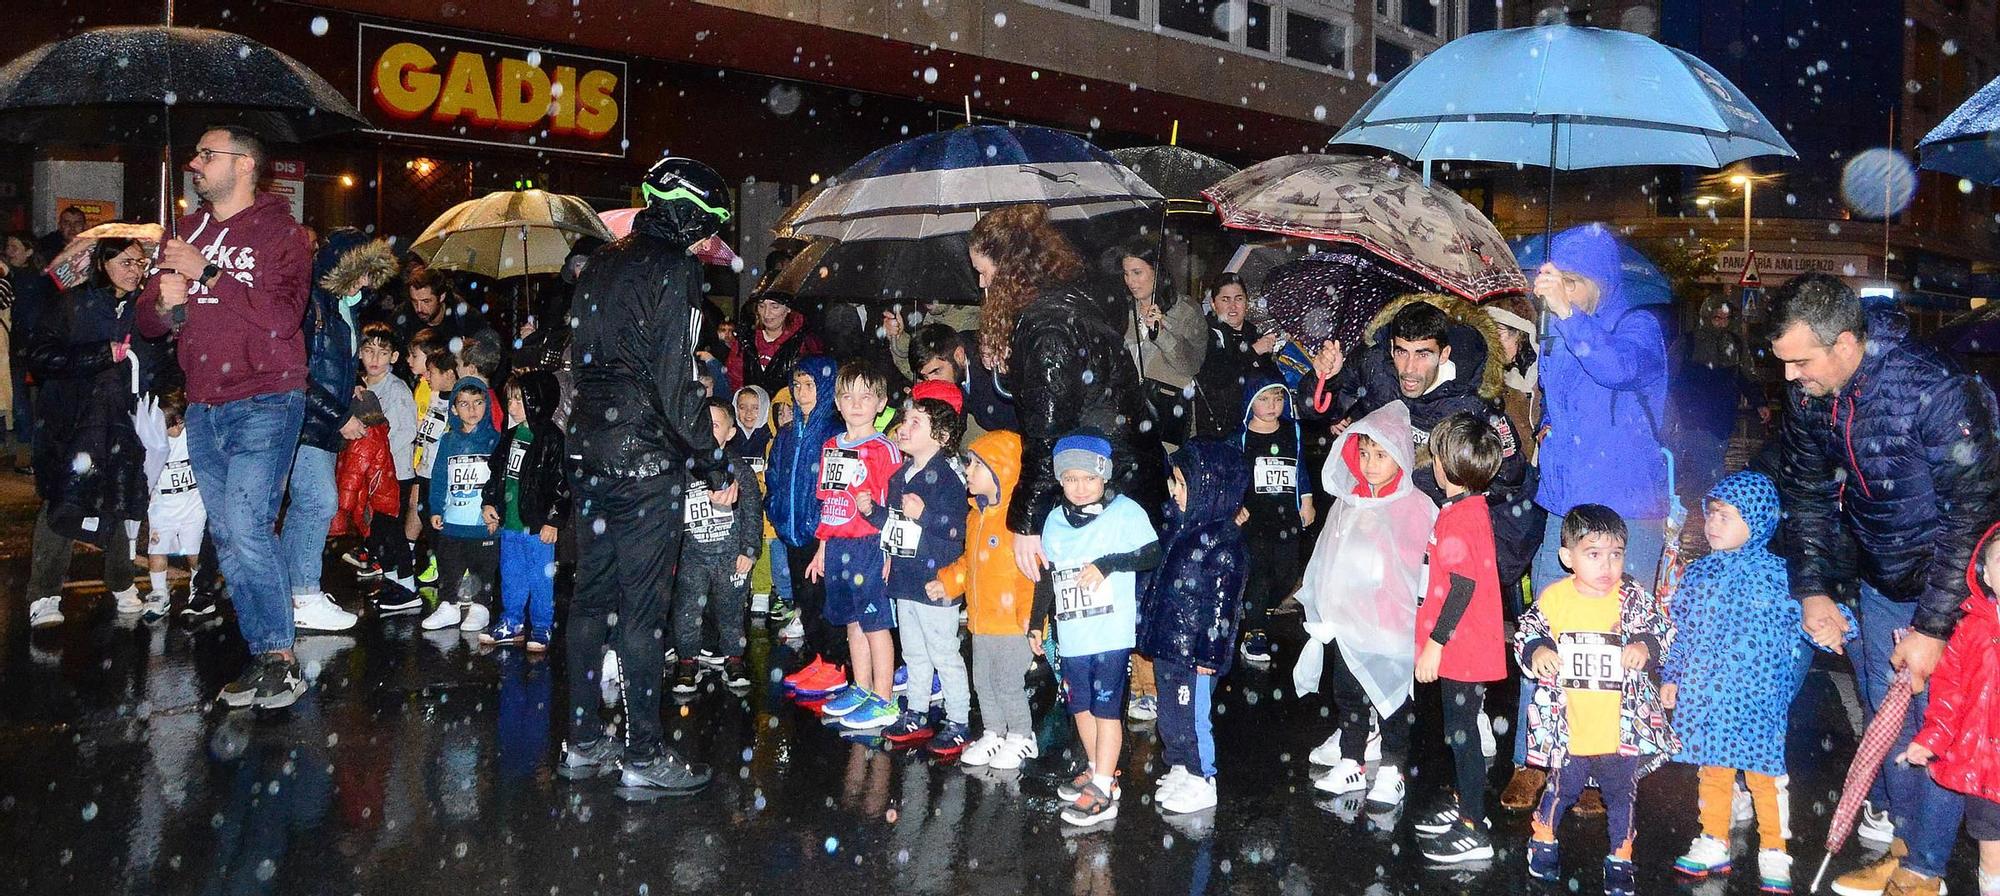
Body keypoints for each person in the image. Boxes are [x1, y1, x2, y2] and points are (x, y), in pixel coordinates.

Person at [1766, 273, 2000, 896]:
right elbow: (1807, 493)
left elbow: (1973, 514)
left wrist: (1932, 626)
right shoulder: (1813, 395)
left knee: (1938, 725)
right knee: (1887, 718)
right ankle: (1902, 846)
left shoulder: (1936, 389)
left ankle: (1925, 871)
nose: (1790, 377)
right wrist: (1812, 587)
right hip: (1877, 577)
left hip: (1952, 585)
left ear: (1845, 343)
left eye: (1800, 361)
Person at [557, 156, 731, 793]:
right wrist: (713, 462)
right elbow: (674, 382)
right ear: (686, 212)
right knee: (643, 609)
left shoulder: (599, 262)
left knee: (589, 600)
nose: (706, 239)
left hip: (588, 447)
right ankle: (644, 754)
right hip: (643, 458)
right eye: (707, 223)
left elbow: (585, 359)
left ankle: (582, 741)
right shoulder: (675, 269)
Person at [137, 125, 313, 710]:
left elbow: (283, 317)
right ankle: (264, 654)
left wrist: (208, 273)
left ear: (243, 164)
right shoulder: (188, 229)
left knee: (246, 524)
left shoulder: (281, 233)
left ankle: (282, 661)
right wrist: (167, 301)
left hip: (265, 396)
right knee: (230, 537)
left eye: (206, 154)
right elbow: (151, 321)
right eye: (195, 153)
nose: (194, 163)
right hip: (205, 402)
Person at [1504, 225, 1670, 812]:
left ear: (1599, 281)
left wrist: (1569, 319)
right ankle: (1536, 756)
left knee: (1617, 642)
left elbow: (1615, 369)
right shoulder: (1561, 331)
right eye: (1560, 282)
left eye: (1575, 283)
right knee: (1547, 630)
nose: (1566, 294)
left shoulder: (1638, 328)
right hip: (1569, 506)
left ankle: (1607, 769)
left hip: (1628, 510)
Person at [1665, 471, 1852, 894]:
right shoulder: (1697, 576)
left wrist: (1839, 627)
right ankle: (1714, 839)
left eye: (1726, 517)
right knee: (1712, 771)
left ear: (1758, 521)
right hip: (1707, 696)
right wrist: (1673, 675)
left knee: (1765, 778)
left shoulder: (1782, 576)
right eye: (1711, 514)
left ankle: (1774, 848)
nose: (1713, 524)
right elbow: (1683, 632)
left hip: (1758, 699)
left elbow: (1818, 614)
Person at [966, 204, 1166, 581]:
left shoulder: (1048, 329)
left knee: (1097, 610)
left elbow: (1047, 430)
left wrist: (1027, 523)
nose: (982, 284)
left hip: (1105, 481)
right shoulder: (1059, 306)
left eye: (984, 272)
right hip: (1115, 472)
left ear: (1009, 270)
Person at [1517, 505, 1678, 896]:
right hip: (1571, 725)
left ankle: (1621, 855)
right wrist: (1538, 651)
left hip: (1621, 729)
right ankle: (1543, 836)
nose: (1607, 565)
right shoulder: (1555, 599)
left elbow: (1663, 631)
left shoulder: (1632, 598)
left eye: (1616, 554)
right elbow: (1528, 631)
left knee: (1622, 796)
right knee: (1562, 790)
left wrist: (1646, 646)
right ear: (1567, 557)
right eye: (1593, 554)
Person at [1294, 401, 1436, 807]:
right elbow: (1326, 559)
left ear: (1401, 457)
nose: (1371, 464)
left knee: (1392, 699)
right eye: (1364, 454)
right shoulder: (1348, 502)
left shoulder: (1416, 506)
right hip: (1349, 624)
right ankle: (1352, 761)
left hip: (1392, 624)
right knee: (1350, 695)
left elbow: (1420, 568)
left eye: (1381, 455)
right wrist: (1321, 605)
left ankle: (1392, 769)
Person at [1031, 431, 1161, 827]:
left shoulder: (1124, 511)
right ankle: (1096, 767)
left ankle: (1104, 786)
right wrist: (1037, 621)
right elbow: (1047, 576)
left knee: (1106, 710)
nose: (1081, 487)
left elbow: (1151, 552)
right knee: (1079, 706)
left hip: (1109, 635)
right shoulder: (1055, 519)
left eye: (1089, 478)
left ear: (1104, 476)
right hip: (1073, 636)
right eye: (1070, 478)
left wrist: (1109, 564)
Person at [23, 237, 150, 629]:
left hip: (119, 419)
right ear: (103, 262)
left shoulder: (143, 309)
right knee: (64, 498)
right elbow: (41, 356)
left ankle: (122, 583)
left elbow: (157, 358)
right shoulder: (72, 304)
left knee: (116, 494)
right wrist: (100, 353)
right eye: (126, 261)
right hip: (71, 421)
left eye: (141, 263)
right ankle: (43, 594)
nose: (135, 270)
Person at [1411, 414, 1510, 864]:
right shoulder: (1463, 510)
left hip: (1463, 649)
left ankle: (1475, 824)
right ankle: (1465, 801)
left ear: (1447, 467)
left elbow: (1463, 586)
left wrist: (1437, 641)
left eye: (1435, 456)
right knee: (1458, 731)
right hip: (1463, 647)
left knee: (1462, 732)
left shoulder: (1462, 519)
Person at [286, 229, 394, 634]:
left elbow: (332, 367)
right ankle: (303, 593)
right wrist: (339, 415)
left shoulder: (342, 307)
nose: (368, 281)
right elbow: (300, 373)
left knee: (308, 505)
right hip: (308, 423)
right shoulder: (314, 304)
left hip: (319, 422)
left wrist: (351, 387)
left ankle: (295, 592)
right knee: (317, 501)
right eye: (363, 271)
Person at [1140, 438, 1249, 816]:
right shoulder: (1177, 530)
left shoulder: (1223, 545)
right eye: (1175, 483)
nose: (1175, 492)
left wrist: (1210, 653)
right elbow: (1156, 583)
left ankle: (1203, 776)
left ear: (1211, 491)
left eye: (1183, 485)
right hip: (1170, 644)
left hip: (1195, 654)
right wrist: (1146, 624)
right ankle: (1181, 765)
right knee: (1170, 713)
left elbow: (1221, 607)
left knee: (1192, 714)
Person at [1902, 524, 2000, 896]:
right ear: (1987, 575)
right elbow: (1949, 693)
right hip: (1987, 768)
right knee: (1993, 854)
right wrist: (1932, 737)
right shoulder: (1970, 630)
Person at [805, 361, 902, 730]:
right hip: (840, 546)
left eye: (866, 396)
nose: (856, 403)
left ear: (880, 403)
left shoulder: (884, 449)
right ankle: (861, 687)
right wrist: (822, 549)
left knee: (876, 623)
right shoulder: (831, 445)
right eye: (848, 396)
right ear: (838, 403)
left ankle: (884, 697)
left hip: (870, 544)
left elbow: (895, 503)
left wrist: (890, 551)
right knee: (852, 621)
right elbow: (830, 502)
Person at [875, 381, 971, 755]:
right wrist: (877, 520)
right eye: (905, 420)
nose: (904, 427)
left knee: (944, 652)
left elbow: (959, 528)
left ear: (942, 435)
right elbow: (897, 523)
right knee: (913, 651)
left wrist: (925, 515)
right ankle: (917, 710)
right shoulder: (900, 475)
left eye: (916, 422)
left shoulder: (949, 477)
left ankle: (958, 718)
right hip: (906, 576)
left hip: (935, 581)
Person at [938, 429, 1038, 770]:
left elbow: (1031, 572)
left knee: (1008, 682)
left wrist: (1030, 616)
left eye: (976, 466)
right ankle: (994, 732)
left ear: (1000, 471)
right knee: (982, 682)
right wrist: (950, 582)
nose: (968, 472)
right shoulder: (975, 516)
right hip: (982, 621)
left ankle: (1022, 735)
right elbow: (970, 563)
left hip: (1011, 623)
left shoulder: (1017, 522)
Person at [668, 397, 761, 690]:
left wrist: (750, 549)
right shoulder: (684, 467)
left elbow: (752, 510)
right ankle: (687, 661)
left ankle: (734, 658)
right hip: (693, 556)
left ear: (730, 433)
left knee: (732, 609)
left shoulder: (739, 469)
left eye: (716, 424)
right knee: (687, 610)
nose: (708, 430)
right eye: (702, 424)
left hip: (731, 557)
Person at [480, 371, 569, 652]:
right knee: (512, 574)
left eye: (519, 400)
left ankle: (542, 625)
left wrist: (554, 520)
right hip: (512, 522)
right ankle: (512, 620)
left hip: (536, 524)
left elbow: (561, 482)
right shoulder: (510, 436)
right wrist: (490, 501)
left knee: (540, 578)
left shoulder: (552, 439)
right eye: (510, 399)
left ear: (537, 402)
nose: (512, 406)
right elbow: (497, 474)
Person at [774, 356, 848, 693]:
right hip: (792, 531)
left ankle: (836, 663)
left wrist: (824, 529)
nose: (802, 393)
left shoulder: (835, 432)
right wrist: (775, 509)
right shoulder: (788, 433)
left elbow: (837, 490)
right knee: (806, 600)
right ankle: (819, 658)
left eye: (811, 386)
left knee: (826, 599)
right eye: (798, 385)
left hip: (820, 534)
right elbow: (775, 474)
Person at [1233, 376, 1316, 664]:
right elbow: (1233, 475)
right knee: (1258, 573)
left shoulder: (1292, 432)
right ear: (1250, 402)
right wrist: (1235, 507)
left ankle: (1259, 609)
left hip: (1286, 517)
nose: (1272, 406)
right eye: (1264, 399)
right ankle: (1254, 630)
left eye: (1278, 399)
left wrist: (1306, 499)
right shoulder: (1241, 438)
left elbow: (1300, 468)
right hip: (1255, 519)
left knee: (1287, 571)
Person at [1671, 296, 1767, 507]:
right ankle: (1704, 509)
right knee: (1707, 468)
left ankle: (1694, 506)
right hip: (1692, 418)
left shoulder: (1735, 344)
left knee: (1708, 467)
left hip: (1721, 418)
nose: (1721, 323)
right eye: (1717, 317)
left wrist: (1759, 402)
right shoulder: (1688, 342)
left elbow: (1746, 376)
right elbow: (1671, 378)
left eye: (1726, 318)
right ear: (1707, 317)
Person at [350, 324, 420, 612]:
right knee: (376, 534)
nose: (374, 359)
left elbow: (407, 429)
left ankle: (407, 585)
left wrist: (380, 453)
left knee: (392, 531)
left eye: (382, 352)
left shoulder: (397, 388)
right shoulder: (360, 386)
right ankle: (391, 580)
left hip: (395, 473)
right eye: (368, 351)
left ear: (393, 357)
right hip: (372, 475)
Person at [1111, 240, 1206, 448]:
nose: (1131, 281)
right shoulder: (1124, 311)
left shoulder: (1185, 311)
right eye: (1126, 274)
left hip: (1167, 414)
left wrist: (1161, 331)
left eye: (1137, 272)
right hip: (1129, 416)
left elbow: (1191, 365)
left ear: (1156, 271)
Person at [422, 377, 499, 633]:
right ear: (454, 408)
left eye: (478, 403)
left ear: (486, 405)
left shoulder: (496, 441)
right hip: (453, 523)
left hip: (482, 525)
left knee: (483, 568)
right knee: (450, 565)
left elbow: (500, 480)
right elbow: (439, 477)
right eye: (464, 404)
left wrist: (499, 511)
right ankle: (448, 605)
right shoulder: (449, 441)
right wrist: (435, 508)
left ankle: (480, 607)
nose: (472, 410)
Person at [137, 389, 204, 620]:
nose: (176, 429)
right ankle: (158, 591)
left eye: (179, 423)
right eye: (170, 425)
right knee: (157, 551)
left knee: (194, 551)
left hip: (193, 504)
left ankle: (198, 586)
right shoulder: (154, 441)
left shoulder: (192, 436)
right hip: (163, 506)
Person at [1193, 273, 1281, 440]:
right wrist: (1253, 351)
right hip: (1218, 430)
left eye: (1238, 299)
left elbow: (1271, 381)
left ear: (1246, 302)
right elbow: (1219, 377)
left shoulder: (1255, 333)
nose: (1233, 306)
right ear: (1213, 304)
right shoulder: (1205, 333)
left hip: (1255, 428)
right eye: (1225, 300)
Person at [4, 231, 54, 468]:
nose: (9, 251)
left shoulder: (31, 280)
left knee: (21, 401)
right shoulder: (14, 276)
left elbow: (28, 316)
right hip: (20, 346)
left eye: (15, 246)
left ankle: (27, 455)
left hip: (24, 347)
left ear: (29, 251)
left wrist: (27, 345)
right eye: (8, 246)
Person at [1482, 294, 1541, 465]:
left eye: (1498, 333)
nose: (1492, 343)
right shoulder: (1493, 379)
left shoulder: (1546, 375)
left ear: (1521, 334)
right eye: (1487, 334)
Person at [729, 291, 822, 398]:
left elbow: (811, 383)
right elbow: (735, 379)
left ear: (788, 308)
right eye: (761, 306)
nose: (766, 313)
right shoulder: (745, 340)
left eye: (774, 306)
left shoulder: (804, 342)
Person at [391, 265, 494, 357]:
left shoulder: (466, 318)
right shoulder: (402, 318)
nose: (419, 308)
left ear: (441, 297)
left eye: (426, 301)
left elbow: (489, 354)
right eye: (414, 301)